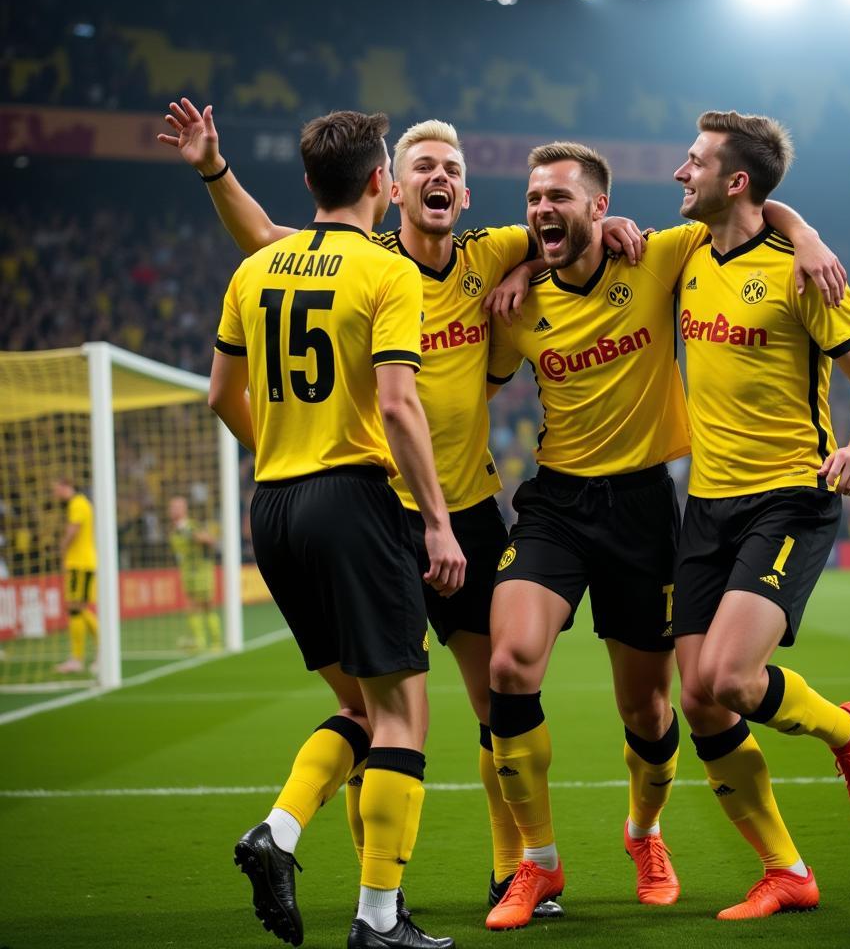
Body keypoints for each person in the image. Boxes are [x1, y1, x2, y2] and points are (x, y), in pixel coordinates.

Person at [158, 96, 644, 920]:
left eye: (454, 168)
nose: (442, 177)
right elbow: (275, 243)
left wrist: (609, 229)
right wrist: (213, 169)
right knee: (382, 711)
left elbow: (577, 227)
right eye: (424, 166)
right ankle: (379, 893)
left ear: (463, 188)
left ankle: (513, 868)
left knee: (497, 702)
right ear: (393, 183)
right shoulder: (373, 261)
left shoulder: (492, 252)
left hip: (467, 512)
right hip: (380, 516)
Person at [482, 141, 845, 930]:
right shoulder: (514, 306)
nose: (543, 209)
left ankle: (645, 835)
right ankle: (537, 865)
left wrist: (808, 236)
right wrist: (516, 272)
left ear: (601, 210)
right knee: (509, 664)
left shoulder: (662, 256)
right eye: (534, 197)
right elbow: (464, 372)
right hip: (554, 503)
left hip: (645, 509)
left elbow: (749, 213)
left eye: (560, 198)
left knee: (649, 712)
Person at [208, 108, 465, 949]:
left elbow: (220, 396)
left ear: (311, 185)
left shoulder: (256, 270)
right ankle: (378, 921)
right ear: (381, 186)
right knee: (402, 718)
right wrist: (437, 523)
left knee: (359, 707)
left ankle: (279, 832)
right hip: (353, 502)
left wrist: (285, 450)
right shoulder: (385, 274)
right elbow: (397, 403)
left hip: (274, 507)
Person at [671, 110, 850, 920]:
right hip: (706, 503)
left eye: (692, 162)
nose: (677, 173)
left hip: (790, 496)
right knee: (696, 698)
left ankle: (846, 730)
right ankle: (786, 870)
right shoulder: (687, 252)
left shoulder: (805, 273)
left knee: (729, 678)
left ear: (735, 181)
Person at [52, 479, 98, 674]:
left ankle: (79, 658)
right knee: (78, 609)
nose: (55, 494)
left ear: (65, 487)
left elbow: (74, 529)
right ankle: (96, 653)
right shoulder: (82, 503)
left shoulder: (77, 503)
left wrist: (62, 549)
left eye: (56, 489)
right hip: (85, 563)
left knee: (75, 608)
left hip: (79, 563)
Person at [166, 495, 221, 651]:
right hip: (187, 573)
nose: (173, 510)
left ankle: (216, 642)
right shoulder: (173, 530)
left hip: (201, 571)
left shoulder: (192, 527)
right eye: (172, 507)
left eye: (177, 507)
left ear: (184, 509)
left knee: (207, 605)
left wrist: (198, 537)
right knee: (191, 606)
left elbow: (210, 540)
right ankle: (200, 641)